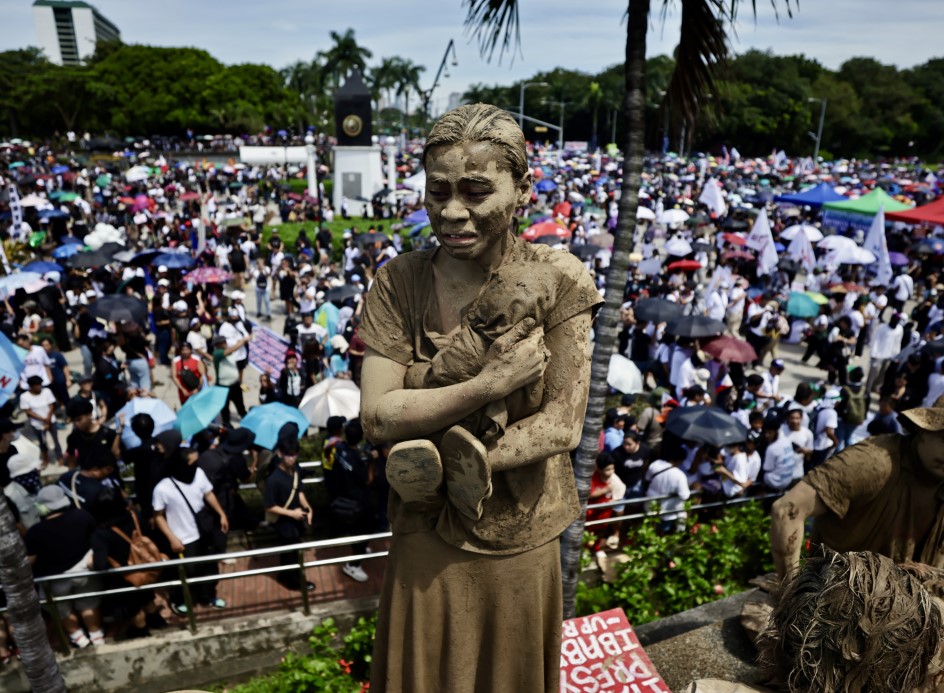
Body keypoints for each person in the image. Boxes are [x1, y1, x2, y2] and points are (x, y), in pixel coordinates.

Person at [359, 104, 601, 692]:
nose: (451, 212)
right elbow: (376, 416)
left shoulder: (560, 279)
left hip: (521, 530)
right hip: (424, 530)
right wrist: (488, 386)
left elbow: (562, 426)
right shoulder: (400, 281)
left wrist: (464, 459)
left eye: (475, 191)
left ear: (522, 188)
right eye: (437, 191)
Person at [771, 395, 944, 581]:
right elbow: (787, 510)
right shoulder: (874, 463)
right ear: (925, 430)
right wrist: (789, 590)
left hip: (902, 601)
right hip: (834, 595)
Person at [151, 430, 229, 613]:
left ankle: (208, 596)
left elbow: (208, 494)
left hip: (204, 531)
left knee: (210, 567)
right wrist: (172, 538)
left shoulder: (199, 474)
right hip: (183, 538)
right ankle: (179, 600)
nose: (196, 466)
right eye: (192, 463)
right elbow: (158, 516)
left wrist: (221, 513)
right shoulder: (163, 488)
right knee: (186, 572)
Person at [25, 485, 104, 648]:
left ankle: (80, 639)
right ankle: (97, 638)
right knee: (88, 604)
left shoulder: (34, 532)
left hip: (54, 580)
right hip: (84, 572)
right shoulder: (83, 517)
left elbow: (29, 561)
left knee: (62, 609)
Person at [263, 424, 315, 592]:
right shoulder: (274, 479)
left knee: (290, 552)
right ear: (280, 454)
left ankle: (284, 576)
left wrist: (307, 507)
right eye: (288, 455)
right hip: (284, 523)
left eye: (294, 455)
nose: (291, 459)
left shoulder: (296, 470)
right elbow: (270, 506)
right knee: (291, 554)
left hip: (295, 520)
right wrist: (291, 513)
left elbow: (298, 491)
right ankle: (293, 582)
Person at [20, 374, 62, 466]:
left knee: (55, 440)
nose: (39, 387)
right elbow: (28, 412)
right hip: (37, 424)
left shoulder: (47, 391)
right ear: (31, 386)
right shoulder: (24, 396)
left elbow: (51, 406)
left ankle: (60, 457)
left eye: (40, 384)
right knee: (43, 443)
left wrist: (48, 419)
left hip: (51, 421)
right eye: (37, 385)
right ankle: (46, 460)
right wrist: (42, 419)